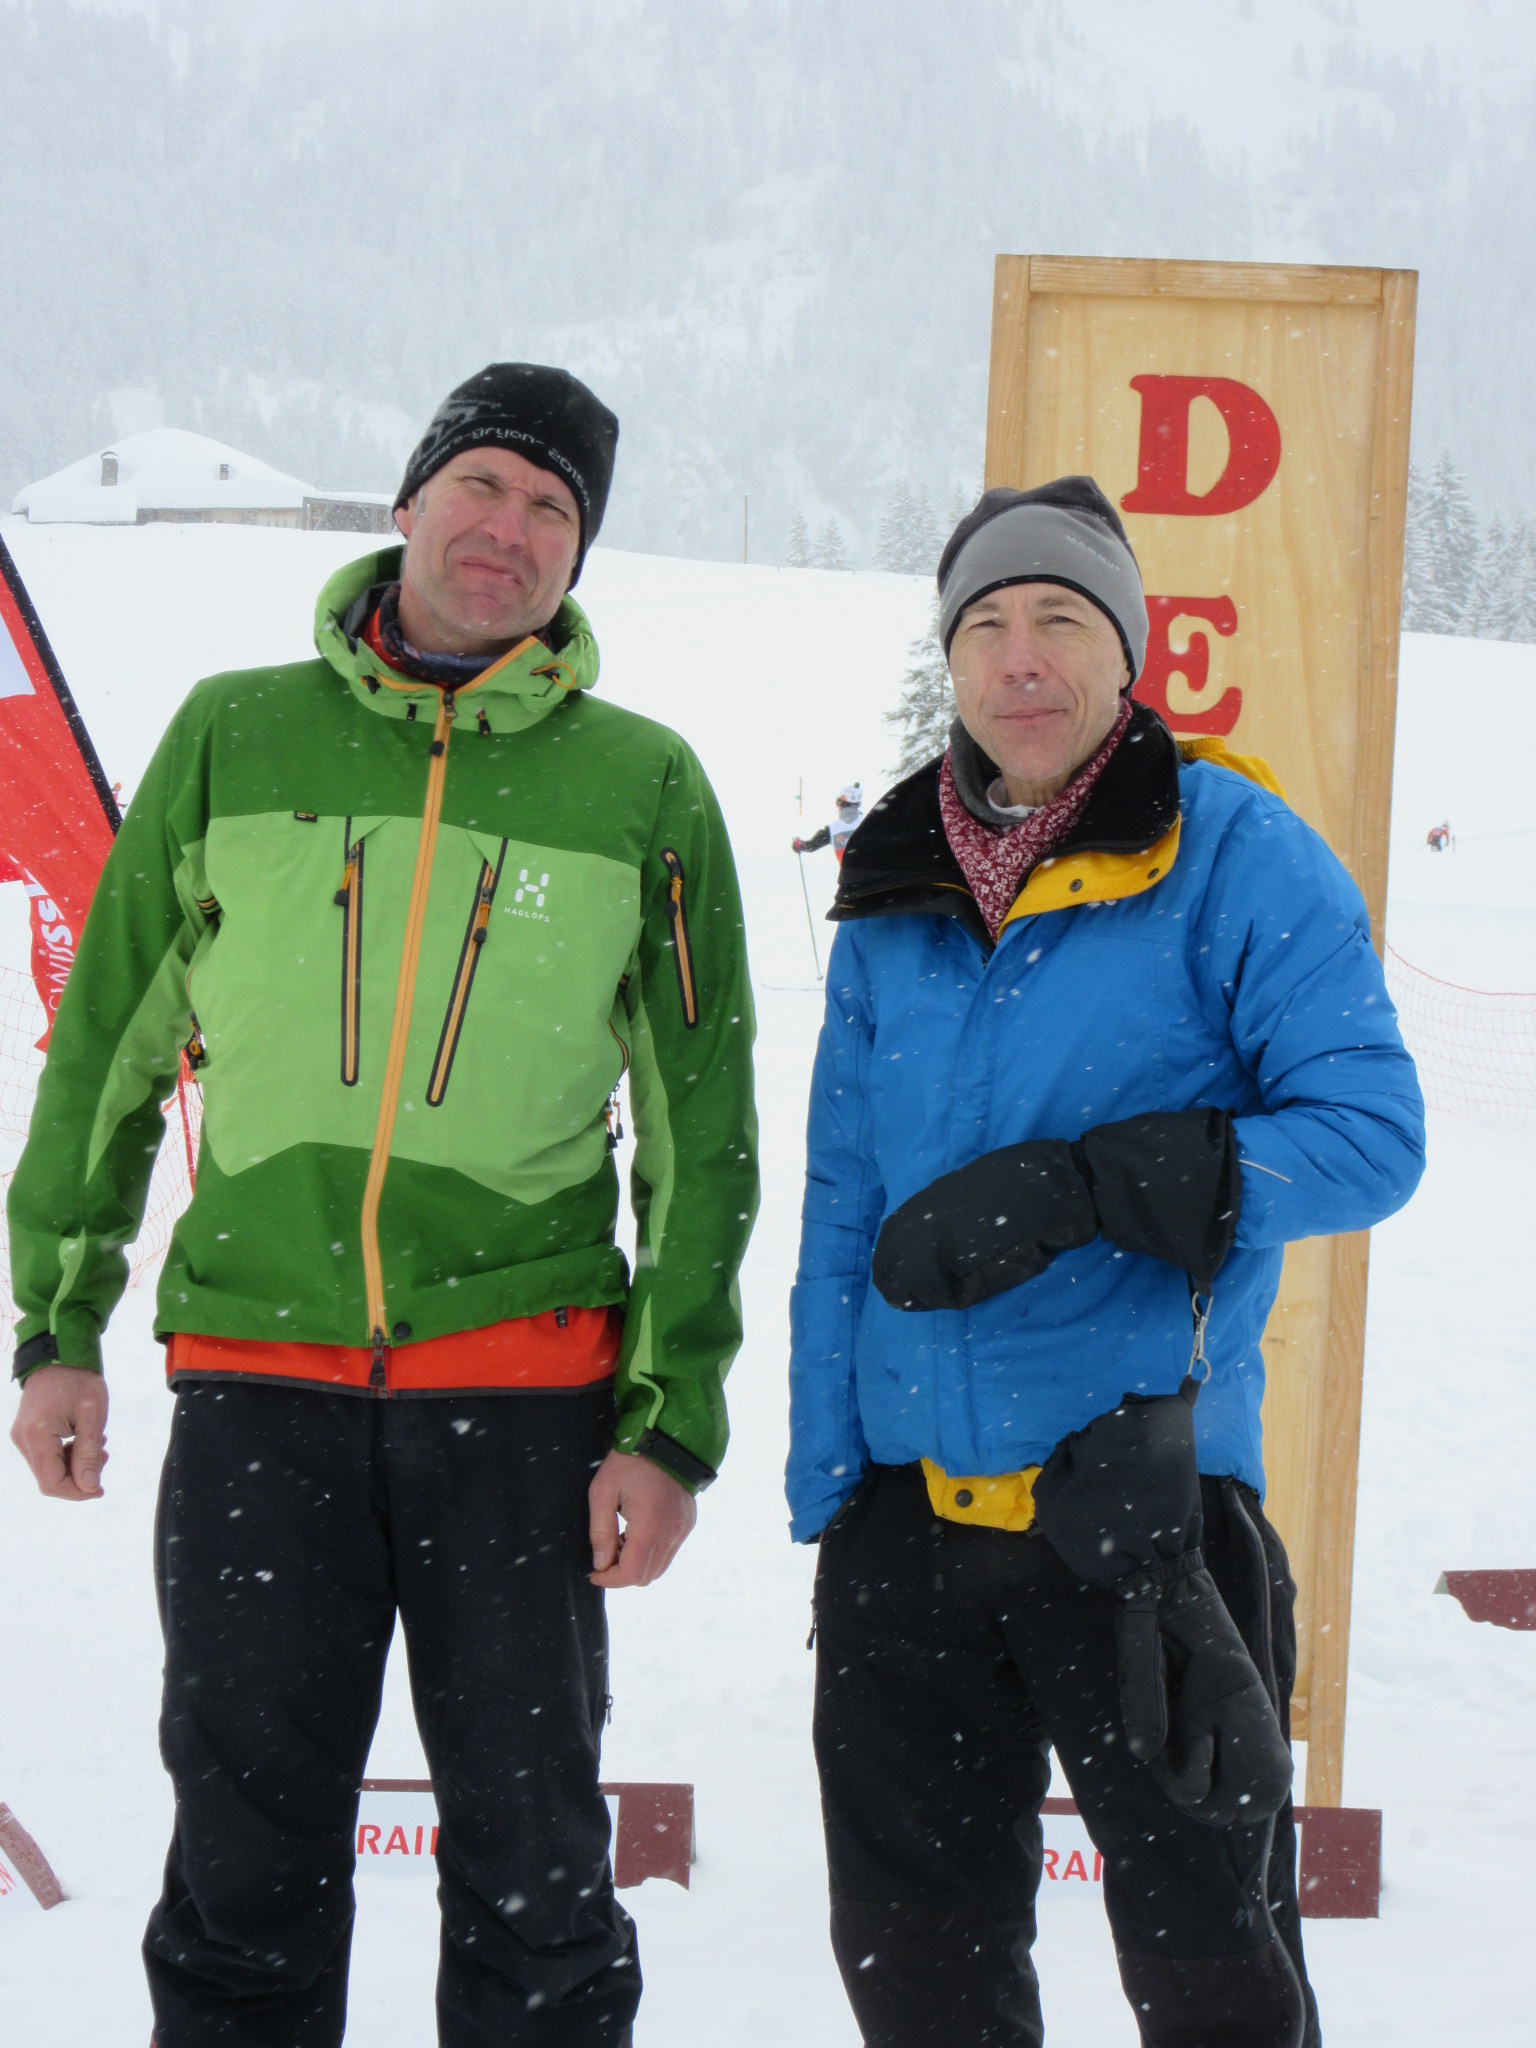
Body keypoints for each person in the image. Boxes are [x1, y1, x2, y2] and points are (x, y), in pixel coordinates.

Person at [8, 362, 759, 2047]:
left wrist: (670, 1424)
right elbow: (109, 1050)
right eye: (484, 484)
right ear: (411, 501)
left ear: (577, 555)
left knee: (536, 1877)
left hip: (525, 1402)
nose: (511, 527)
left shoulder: (641, 782)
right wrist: (57, 1324)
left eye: (553, 509)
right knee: (241, 1870)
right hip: (257, 1392)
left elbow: (702, 1129)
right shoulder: (235, 733)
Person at [787, 476, 1425, 2048]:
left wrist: (1102, 1183)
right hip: (909, 1529)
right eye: (987, 625)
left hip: (1143, 1517)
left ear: (1128, 653)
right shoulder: (894, 880)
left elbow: (1371, 1137)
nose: (1022, 658)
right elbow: (842, 1202)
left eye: (1062, 620)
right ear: (951, 658)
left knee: (1216, 1983)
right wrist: (833, 1487)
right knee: (920, 1981)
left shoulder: (1236, 852)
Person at [794, 781, 864, 862]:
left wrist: (799, 844)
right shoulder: (868, 824)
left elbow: (810, 846)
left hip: (848, 870)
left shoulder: (832, 829)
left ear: (841, 805)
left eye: (838, 804)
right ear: (856, 806)